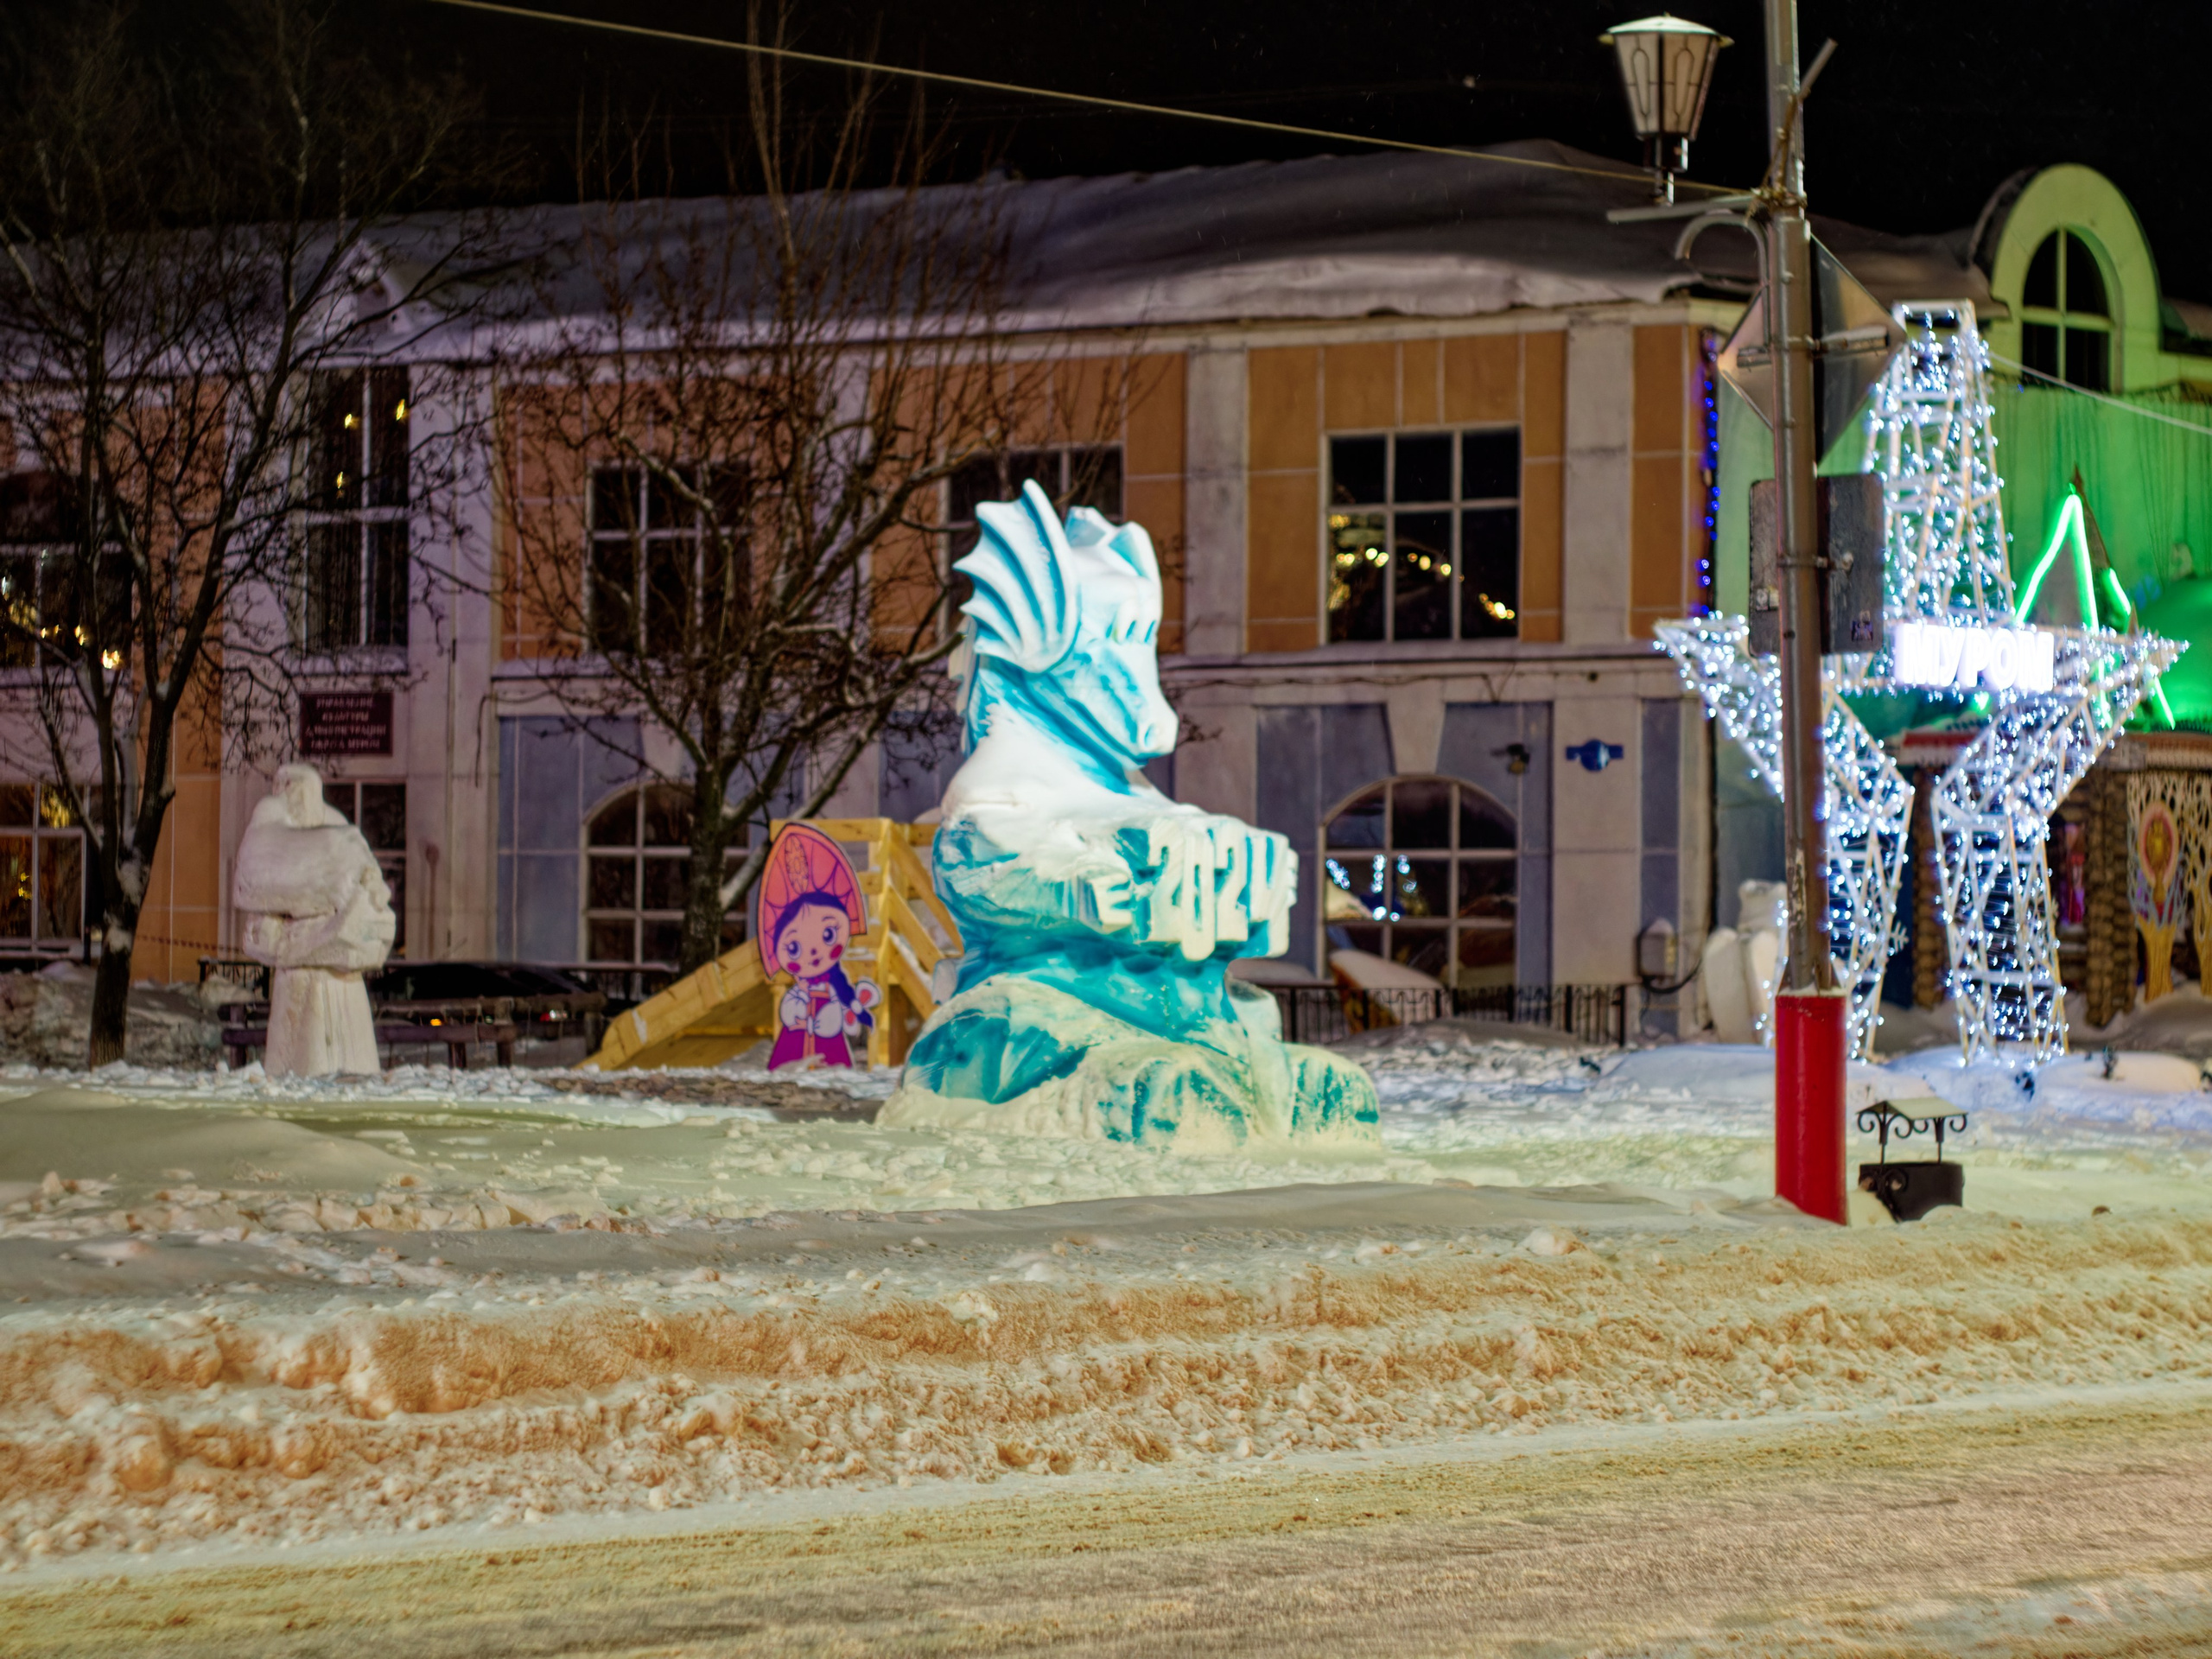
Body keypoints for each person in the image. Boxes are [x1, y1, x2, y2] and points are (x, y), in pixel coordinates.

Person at [232, 764, 394, 1075]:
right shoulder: (273, 819)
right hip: (300, 985)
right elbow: (253, 878)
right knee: (302, 1061)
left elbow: (370, 897)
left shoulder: (335, 825)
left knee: (347, 1065)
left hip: (342, 986)